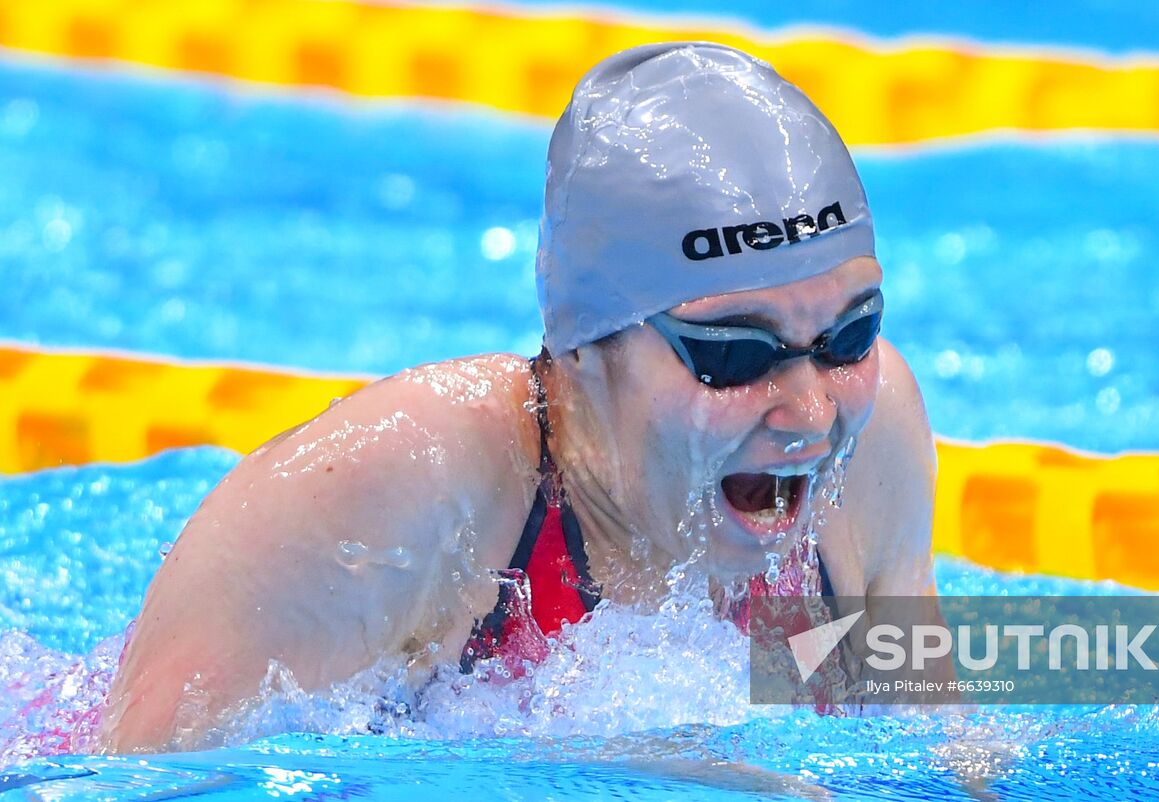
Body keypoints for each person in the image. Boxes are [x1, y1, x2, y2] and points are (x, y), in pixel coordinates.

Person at [99, 41, 938, 753]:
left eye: (849, 337)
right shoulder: (403, 487)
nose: (812, 413)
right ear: (584, 345)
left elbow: (941, 739)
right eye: (735, 352)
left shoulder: (875, 437)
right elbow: (131, 779)